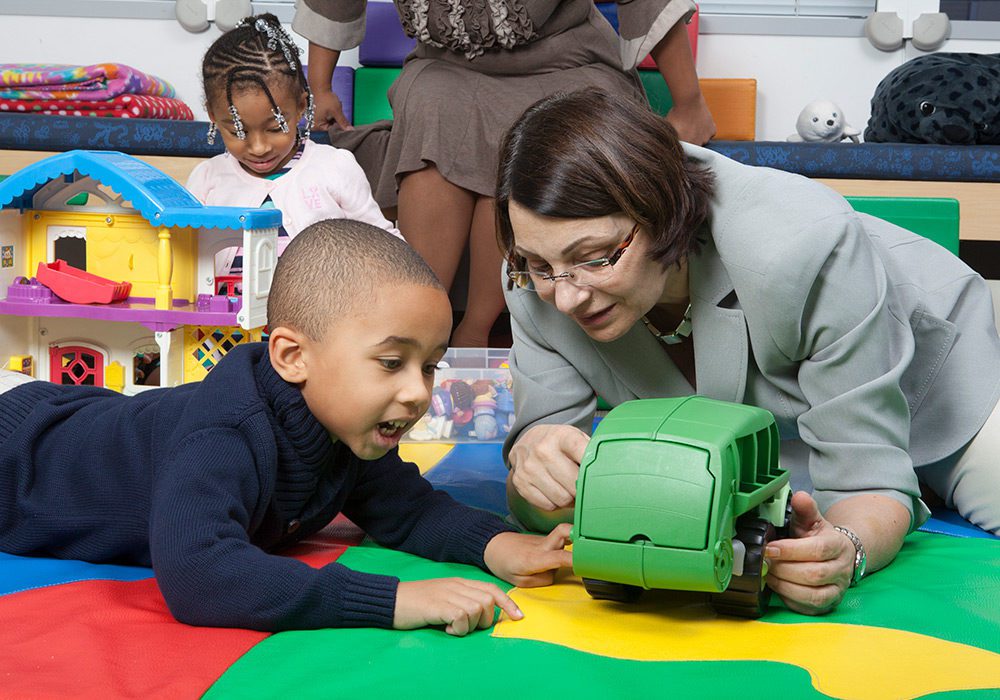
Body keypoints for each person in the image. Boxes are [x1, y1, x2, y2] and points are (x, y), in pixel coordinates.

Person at [495, 88, 1000, 615]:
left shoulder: (799, 247)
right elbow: (540, 496)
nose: (566, 294)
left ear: (664, 212)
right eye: (537, 262)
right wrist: (536, 467)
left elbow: (867, 477)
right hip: (776, 438)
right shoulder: (537, 281)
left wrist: (846, 549)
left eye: (596, 258)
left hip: (937, 389)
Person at [0, 219, 572, 635]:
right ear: (293, 356)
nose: (419, 392)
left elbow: (412, 510)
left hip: (80, 417)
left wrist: (498, 545)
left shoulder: (350, 429)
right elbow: (199, 573)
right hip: (18, 456)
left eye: (430, 365)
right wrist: (394, 601)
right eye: (392, 363)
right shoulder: (225, 434)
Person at [292, 0, 716, 347]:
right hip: (449, 66)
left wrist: (688, 101)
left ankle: (477, 328)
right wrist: (322, 86)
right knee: (430, 103)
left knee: (532, 131)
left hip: (566, 61)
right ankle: (419, 319)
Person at [187, 13, 399, 258]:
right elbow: (185, 252)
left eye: (275, 127)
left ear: (301, 106)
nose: (258, 147)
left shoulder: (335, 168)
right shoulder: (207, 180)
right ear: (213, 116)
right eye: (238, 131)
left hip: (323, 296)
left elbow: (384, 245)